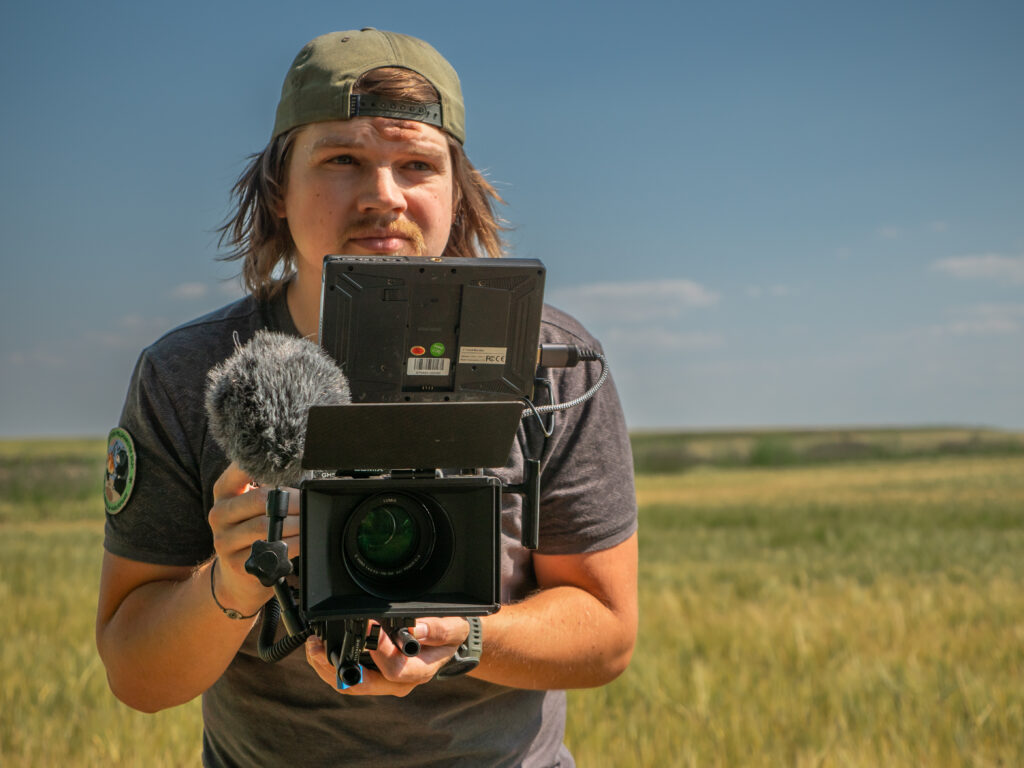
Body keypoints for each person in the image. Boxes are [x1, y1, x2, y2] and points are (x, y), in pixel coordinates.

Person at [96, 28, 638, 767]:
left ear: (456, 192)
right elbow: (137, 672)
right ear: (278, 189)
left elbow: (606, 634)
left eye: (417, 164)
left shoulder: (552, 365)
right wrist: (229, 582)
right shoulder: (191, 375)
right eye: (343, 160)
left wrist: (465, 639)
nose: (384, 195)